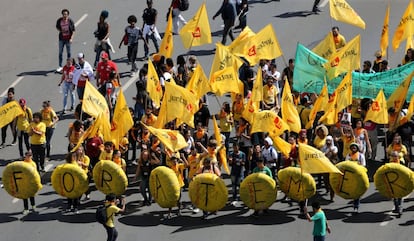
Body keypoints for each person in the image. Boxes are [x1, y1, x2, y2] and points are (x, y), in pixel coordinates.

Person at [345, 142, 366, 213]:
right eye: (352, 147)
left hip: (358, 175)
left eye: (355, 147)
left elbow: (363, 165)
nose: (353, 148)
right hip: (351, 176)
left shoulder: (361, 156)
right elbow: (346, 164)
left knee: (357, 191)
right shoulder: (348, 155)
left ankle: (356, 206)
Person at [389, 151, 404, 215]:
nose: (394, 157)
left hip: (400, 180)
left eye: (396, 156)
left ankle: (400, 206)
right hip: (392, 181)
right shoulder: (390, 163)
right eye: (393, 156)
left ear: (398, 156)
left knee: (400, 194)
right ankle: (396, 206)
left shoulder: (401, 162)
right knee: (394, 195)